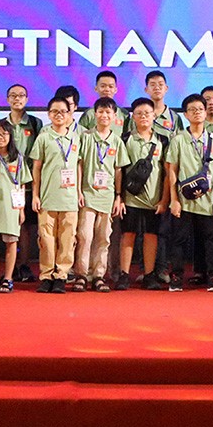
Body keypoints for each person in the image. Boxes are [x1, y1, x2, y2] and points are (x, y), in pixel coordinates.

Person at [164, 94, 213, 291]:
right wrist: (174, 200)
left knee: (211, 240)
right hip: (184, 200)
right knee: (179, 240)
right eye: (192, 110)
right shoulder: (178, 140)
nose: (197, 112)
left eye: (200, 109)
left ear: (206, 112)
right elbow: (172, 170)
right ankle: (176, 277)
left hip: (209, 200)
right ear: (186, 114)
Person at [74, 97, 131, 292]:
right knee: (85, 236)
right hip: (87, 195)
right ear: (94, 114)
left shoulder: (117, 141)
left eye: (108, 112)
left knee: (104, 238)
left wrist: (118, 196)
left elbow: (118, 170)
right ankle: (81, 274)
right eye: (101, 112)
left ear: (114, 116)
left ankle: (99, 275)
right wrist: (78, 191)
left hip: (107, 197)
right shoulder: (86, 137)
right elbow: (79, 164)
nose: (104, 115)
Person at [116, 98, 170, 291]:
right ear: (133, 117)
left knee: (151, 236)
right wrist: (119, 197)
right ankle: (124, 275)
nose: (143, 116)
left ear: (154, 115)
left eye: (147, 113)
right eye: (139, 113)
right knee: (128, 234)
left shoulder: (162, 140)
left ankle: (149, 275)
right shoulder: (125, 139)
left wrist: (164, 200)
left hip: (154, 201)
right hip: (130, 199)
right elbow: (119, 170)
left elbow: (167, 173)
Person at [31, 95, 82, 294]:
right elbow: (36, 168)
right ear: (49, 114)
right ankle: (46, 275)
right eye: (54, 111)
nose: (59, 115)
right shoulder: (44, 137)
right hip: (47, 197)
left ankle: (61, 275)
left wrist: (78, 192)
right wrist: (35, 195)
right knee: (46, 239)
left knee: (67, 239)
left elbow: (79, 166)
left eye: (63, 111)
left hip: (70, 198)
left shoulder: (76, 138)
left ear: (69, 114)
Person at [0, 83, 43, 283]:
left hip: (28, 182)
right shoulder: (1, 124)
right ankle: (8, 267)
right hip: (6, 183)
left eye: (21, 95)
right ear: (7, 99)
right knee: (7, 225)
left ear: (27, 99)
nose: (17, 99)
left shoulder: (35, 123)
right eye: (13, 95)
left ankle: (23, 265)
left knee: (26, 226)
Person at [0, 119, 30, 293]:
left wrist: (21, 209)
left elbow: (22, 184)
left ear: (11, 136)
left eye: (4, 133)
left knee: (11, 242)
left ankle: (8, 278)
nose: (0, 137)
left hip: (11, 206)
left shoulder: (18, 159)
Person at [79, 71, 128, 135]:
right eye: (103, 86)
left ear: (115, 90)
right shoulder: (89, 114)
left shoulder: (124, 114)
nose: (107, 89)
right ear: (96, 88)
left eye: (110, 86)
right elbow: (80, 135)